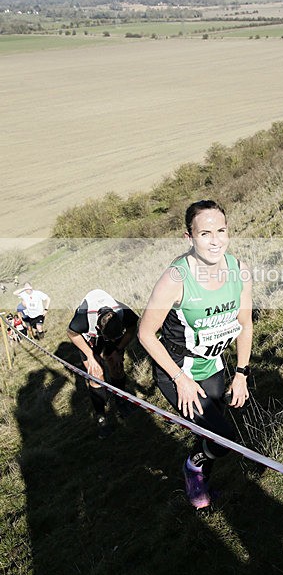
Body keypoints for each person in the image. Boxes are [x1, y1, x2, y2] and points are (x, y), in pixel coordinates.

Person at [138, 200, 253, 509]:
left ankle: (201, 472)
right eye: (205, 233)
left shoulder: (238, 270)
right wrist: (180, 379)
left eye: (221, 230)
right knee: (222, 437)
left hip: (213, 365)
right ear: (189, 238)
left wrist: (241, 373)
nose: (215, 240)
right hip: (179, 371)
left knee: (214, 431)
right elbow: (145, 333)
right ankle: (193, 467)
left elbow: (245, 323)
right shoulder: (176, 279)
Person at [67, 289, 139, 439]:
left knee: (116, 366)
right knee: (95, 374)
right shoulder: (82, 320)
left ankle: (120, 401)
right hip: (88, 338)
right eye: (110, 338)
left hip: (112, 331)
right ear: (99, 328)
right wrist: (91, 357)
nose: (111, 341)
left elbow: (132, 327)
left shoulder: (122, 312)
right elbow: (72, 333)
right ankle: (101, 417)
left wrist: (119, 349)